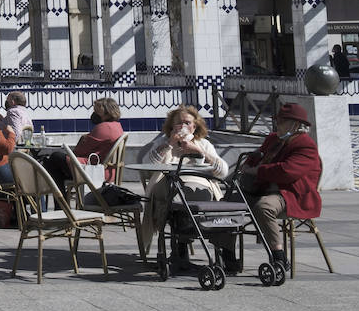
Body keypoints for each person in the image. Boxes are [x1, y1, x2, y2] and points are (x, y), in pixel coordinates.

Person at [137, 105, 229, 262]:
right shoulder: (163, 142)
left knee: (186, 197)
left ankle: (182, 246)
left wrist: (200, 152)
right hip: (167, 184)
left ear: (194, 126)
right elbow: (147, 166)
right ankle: (181, 247)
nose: (183, 127)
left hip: (198, 186)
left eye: (187, 123)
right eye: (179, 123)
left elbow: (223, 171)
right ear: (172, 125)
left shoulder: (203, 144)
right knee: (176, 195)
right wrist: (169, 145)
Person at [239, 102, 322, 275]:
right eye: (278, 120)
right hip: (260, 189)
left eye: (283, 121)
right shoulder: (273, 139)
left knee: (265, 207)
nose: (278, 124)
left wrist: (256, 170)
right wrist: (251, 165)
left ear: (296, 124)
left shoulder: (305, 145)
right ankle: (228, 255)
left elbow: (286, 172)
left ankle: (278, 256)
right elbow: (254, 159)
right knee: (225, 206)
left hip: (290, 194)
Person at [45, 96, 125, 185]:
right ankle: (60, 197)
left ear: (107, 113)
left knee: (55, 157)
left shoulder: (104, 127)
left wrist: (83, 139)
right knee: (56, 168)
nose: (94, 114)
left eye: (97, 111)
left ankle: (59, 197)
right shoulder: (117, 126)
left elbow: (78, 152)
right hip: (107, 171)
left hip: (94, 170)